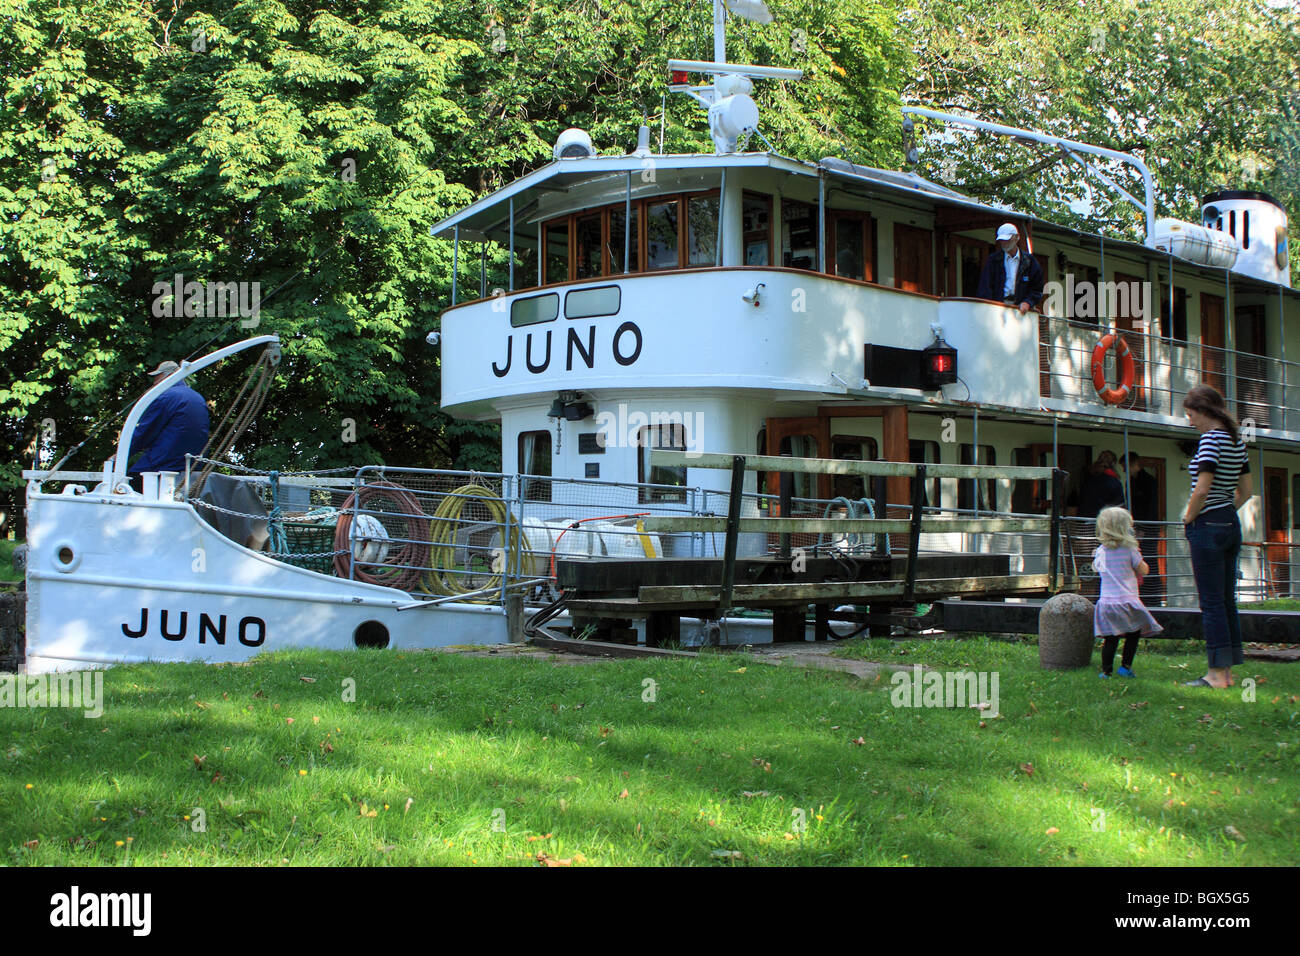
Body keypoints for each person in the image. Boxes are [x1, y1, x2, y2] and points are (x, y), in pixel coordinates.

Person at [1181, 384, 1251, 689]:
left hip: (1207, 525)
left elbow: (1202, 489)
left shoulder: (1210, 440)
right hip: (1229, 523)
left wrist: (1190, 517)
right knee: (1226, 601)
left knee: (1210, 603)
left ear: (1204, 411)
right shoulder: (1238, 441)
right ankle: (1230, 674)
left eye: (1191, 414)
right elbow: (1246, 492)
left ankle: (1216, 675)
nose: (1190, 421)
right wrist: (1224, 511)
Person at [1093, 506, 1162, 678]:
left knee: (1111, 637)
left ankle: (1106, 671)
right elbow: (1144, 570)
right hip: (1127, 600)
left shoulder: (1101, 551)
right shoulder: (1130, 550)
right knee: (1133, 632)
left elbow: (1097, 569)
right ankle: (1125, 667)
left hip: (1107, 601)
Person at [126, 360, 210, 491]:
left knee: (129, 483)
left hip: (163, 464)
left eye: (157, 377)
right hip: (191, 467)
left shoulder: (166, 396)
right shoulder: (197, 397)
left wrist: (122, 454)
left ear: (167, 376)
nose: (154, 382)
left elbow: (144, 432)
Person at [975, 222, 1045, 313]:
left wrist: (1028, 302)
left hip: (1020, 311)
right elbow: (985, 287)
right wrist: (988, 308)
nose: (1004, 243)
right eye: (1001, 240)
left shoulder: (1030, 261)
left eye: (1007, 240)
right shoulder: (993, 260)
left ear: (1017, 238)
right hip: (997, 309)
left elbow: (1037, 288)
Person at [1122, 451, 1161, 602]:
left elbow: (1151, 507)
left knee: (1149, 560)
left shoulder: (1149, 481)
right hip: (1135, 526)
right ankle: (1138, 594)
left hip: (1148, 527)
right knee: (1135, 560)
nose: (1124, 470)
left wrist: (1143, 529)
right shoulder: (1130, 482)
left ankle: (1153, 597)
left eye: (1126, 466)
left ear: (1133, 465)